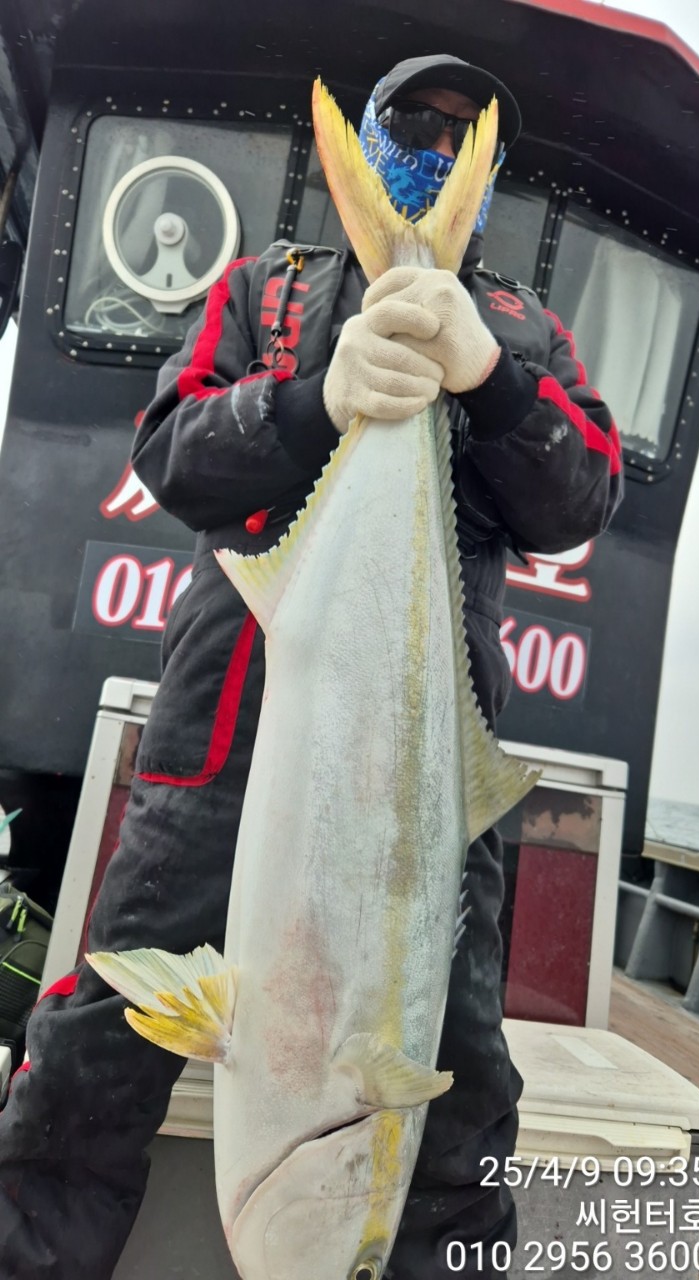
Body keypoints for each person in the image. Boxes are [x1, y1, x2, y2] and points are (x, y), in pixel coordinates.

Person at [0, 53, 622, 1280]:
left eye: (461, 135)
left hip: (422, 773)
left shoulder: (525, 332)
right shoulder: (261, 292)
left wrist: (491, 381)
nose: (433, 150)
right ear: (367, 138)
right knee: (101, 1036)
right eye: (413, 123)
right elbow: (171, 449)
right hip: (223, 736)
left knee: (461, 1071)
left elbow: (583, 495)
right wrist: (313, 404)